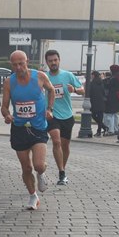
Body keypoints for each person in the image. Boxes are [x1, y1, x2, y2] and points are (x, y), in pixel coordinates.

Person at [1, 50, 55, 211]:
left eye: (21, 63)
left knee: (38, 165)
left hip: (38, 127)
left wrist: (49, 109)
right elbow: (4, 106)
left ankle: (41, 173)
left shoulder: (39, 76)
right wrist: (7, 115)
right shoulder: (9, 82)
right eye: (15, 65)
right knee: (26, 168)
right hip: (19, 128)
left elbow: (51, 90)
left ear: (27, 61)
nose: (18, 67)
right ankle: (33, 196)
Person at [44, 50, 85, 185]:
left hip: (67, 115)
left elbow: (83, 90)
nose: (53, 63)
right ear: (47, 62)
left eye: (55, 60)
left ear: (59, 60)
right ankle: (62, 173)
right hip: (52, 115)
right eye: (50, 61)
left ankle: (62, 169)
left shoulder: (68, 75)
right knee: (56, 141)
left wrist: (75, 89)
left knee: (65, 145)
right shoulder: (44, 77)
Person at [103, 64, 119, 136]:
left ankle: (110, 130)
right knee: (116, 115)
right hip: (118, 99)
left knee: (110, 115)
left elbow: (107, 86)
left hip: (111, 99)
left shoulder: (114, 79)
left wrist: (104, 79)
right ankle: (116, 129)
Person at [89, 71, 108, 137]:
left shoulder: (92, 83)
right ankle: (101, 130)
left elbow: (89, 93)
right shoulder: (101, 82)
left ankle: (102, 128)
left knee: (93, 115)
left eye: (91, 75)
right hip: (101, 102)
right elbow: (103, 92)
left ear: (93, 75)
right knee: (100, 117)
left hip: (94, 102)